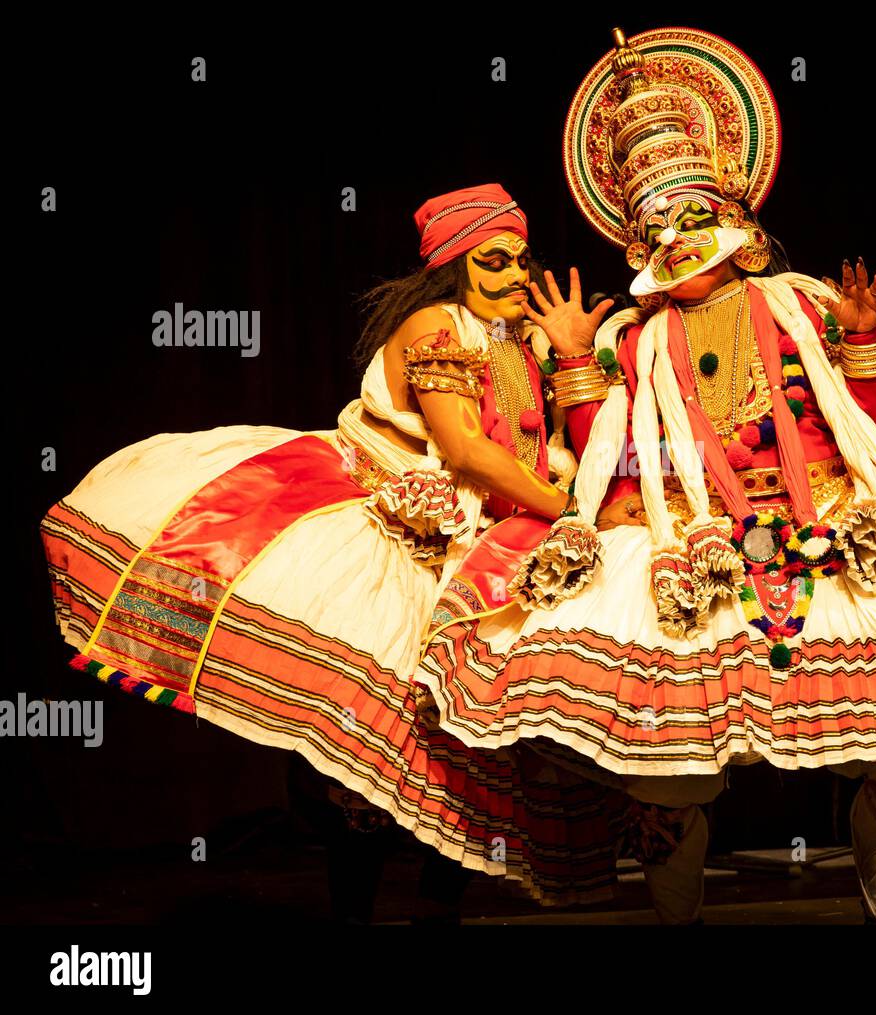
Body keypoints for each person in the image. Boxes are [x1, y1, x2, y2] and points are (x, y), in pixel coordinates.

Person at [416, 29, 876, 924]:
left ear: (737, 228)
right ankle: (675, 903)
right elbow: (608, 452)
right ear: (638, 244)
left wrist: (862, 345)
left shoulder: (799, 304)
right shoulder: (633, 338)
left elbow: (868, 428)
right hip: (690, 538)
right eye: (657, 228)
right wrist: (576, 363)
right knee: (674, 759)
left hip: (831, 527)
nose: (677, 240)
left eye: (692, 218)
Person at [40, 183, 629, 918]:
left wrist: (573, 355)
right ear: (454, 264)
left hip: (492, 550)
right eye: (496, 260)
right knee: (371, 762)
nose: (517, 275)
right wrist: (570, 510)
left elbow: (571, 438)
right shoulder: (434, 327)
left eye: (521, 258)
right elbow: (467, 451)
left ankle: (437, 911)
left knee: (489, 750)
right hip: (400, 549)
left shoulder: (508, 340)